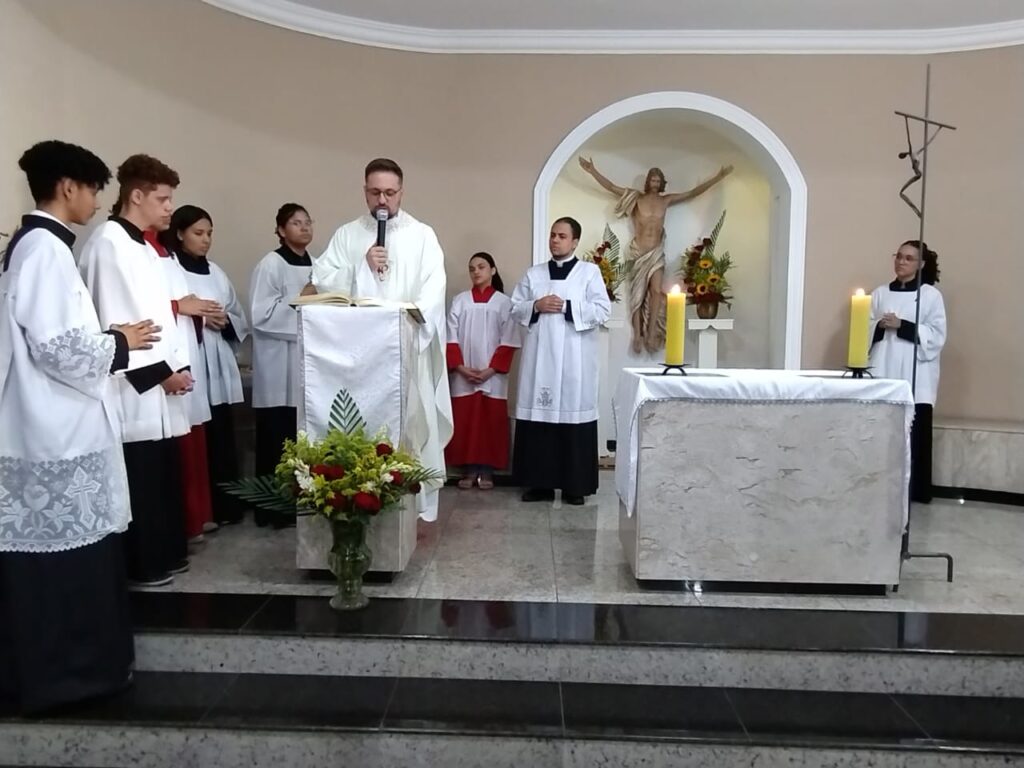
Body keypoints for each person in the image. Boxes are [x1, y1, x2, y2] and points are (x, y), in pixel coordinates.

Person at [0, 140, 159, 714]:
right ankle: (74, 677)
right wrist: (120, 341)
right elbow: (61, 349)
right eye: (92, 189)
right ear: (68, 187)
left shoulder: (35, 246)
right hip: (55, 432)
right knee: (67, 565)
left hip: (50, 424)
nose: (95, 200)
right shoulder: (45, 249)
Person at [312, 158, 453, 521]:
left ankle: (416, 505)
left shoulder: (422, 235)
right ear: (364, 192)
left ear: (401, 192)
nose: (382, 201)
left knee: (412, 424)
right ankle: (362, 498)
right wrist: (361, 265)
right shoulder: (348, 235)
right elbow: (322, 278)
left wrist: (409, 332)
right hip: (360, 356)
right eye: (375, 192)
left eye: (390, 193)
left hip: (407, 352)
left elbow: (433, 291)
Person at [79, 154, 194, 586]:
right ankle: (143, 564)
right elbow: (119, 318)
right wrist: (162, 373)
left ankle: (165, 553)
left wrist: (176, 366)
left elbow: (158, 315)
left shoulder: (143, 245)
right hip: (133, 384)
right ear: (137, 195)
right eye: (162, 199)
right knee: (140, 477)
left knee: (161, 476)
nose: (169, 208)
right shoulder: (108, 242)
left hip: (156, 381)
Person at [578, 157, 731, 354]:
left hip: (656, 252)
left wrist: (718, 177)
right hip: (639, 252)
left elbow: (693, 193)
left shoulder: (666, 200)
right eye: (652, 179)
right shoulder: (636, 198)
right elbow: (611, 186)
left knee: (657, 291)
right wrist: (592, 170)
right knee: (638, 295)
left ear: (662, 183)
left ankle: (651, 333)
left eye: (658, 181)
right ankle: (638, 335)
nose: (655, 183)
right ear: (648, 181)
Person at [510, 217, 611, 505]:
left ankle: (573, 486)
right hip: (540, 358)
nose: (555, 240)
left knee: (572, 415)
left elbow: (603, 309)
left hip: (574, 360)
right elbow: (515, 307)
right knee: (538, 417)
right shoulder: (534, 274)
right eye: (553, 235)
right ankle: (539, 484)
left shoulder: (589, 273)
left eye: (562, 236)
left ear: (575, 241)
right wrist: (536, 306)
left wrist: (567, 307)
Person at [161, 206, 249, 526]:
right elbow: (166, 310)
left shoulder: (216, 272)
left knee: (223, 435)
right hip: (193, 357)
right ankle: (203, 510)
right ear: (180, 233)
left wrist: (224, 321)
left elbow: (238, 316)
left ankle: (228, 507)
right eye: (199, 233)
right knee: (200, 437)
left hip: (218, 359)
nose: (206, 240)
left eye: (209, 233)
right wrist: (199, 317)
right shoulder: (169, 269)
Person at [250, 203, 314, 528]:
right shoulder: (270, 265)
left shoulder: (318, 266)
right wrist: (301, 304)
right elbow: (261, 315)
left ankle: (300, 503)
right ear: (280, 230)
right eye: (295, 223)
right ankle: (272, 510)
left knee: (299, 434)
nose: (303, 228)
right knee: (275, 434)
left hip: (305, 364)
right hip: (277, 363)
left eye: (307, 222)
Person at [869, 239, 947, 504]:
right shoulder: (879, 293)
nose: (901, 262)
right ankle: (878, 487)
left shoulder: (930, 296)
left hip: (916, 373)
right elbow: (864, 327)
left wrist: (903, 325)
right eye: (898, 256)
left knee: (915, 435)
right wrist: (878, 326)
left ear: (921, 264)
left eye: (908, 258)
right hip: (884, 367)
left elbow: (937, 335)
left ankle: (917, 491)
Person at [445, 252, 521, 490]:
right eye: (472, 268)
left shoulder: (504, 303)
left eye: (481, 267)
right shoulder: (460, 301)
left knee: (490, 421)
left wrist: (491, 370)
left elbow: (509, 340)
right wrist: (460, 367)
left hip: (492, 375)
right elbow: (450, 337)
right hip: (463, 373)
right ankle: (467, 470)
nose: (476, 272)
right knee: (466, 420)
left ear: (493, 271)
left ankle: (487, 471)